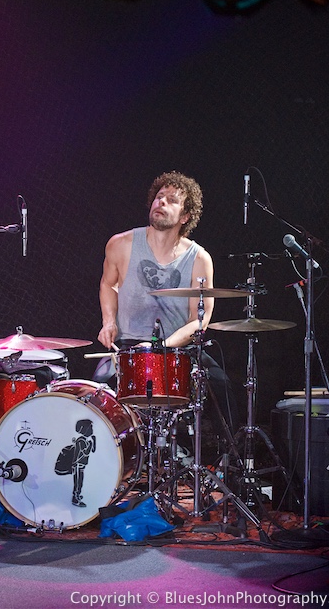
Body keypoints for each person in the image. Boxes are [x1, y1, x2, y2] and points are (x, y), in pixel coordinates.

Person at [95, 172, 238, 454]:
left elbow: (200, 319)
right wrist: (108, 321)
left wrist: (161, 346)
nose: (161, 202)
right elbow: (108, 283)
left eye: (171, 200)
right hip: (128, 345)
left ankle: (231, 463)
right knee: (97, 392)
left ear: (185, 216)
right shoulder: (120, 244)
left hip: (178, 349)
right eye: (159, 197)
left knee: (221, 386)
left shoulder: (199, 258)